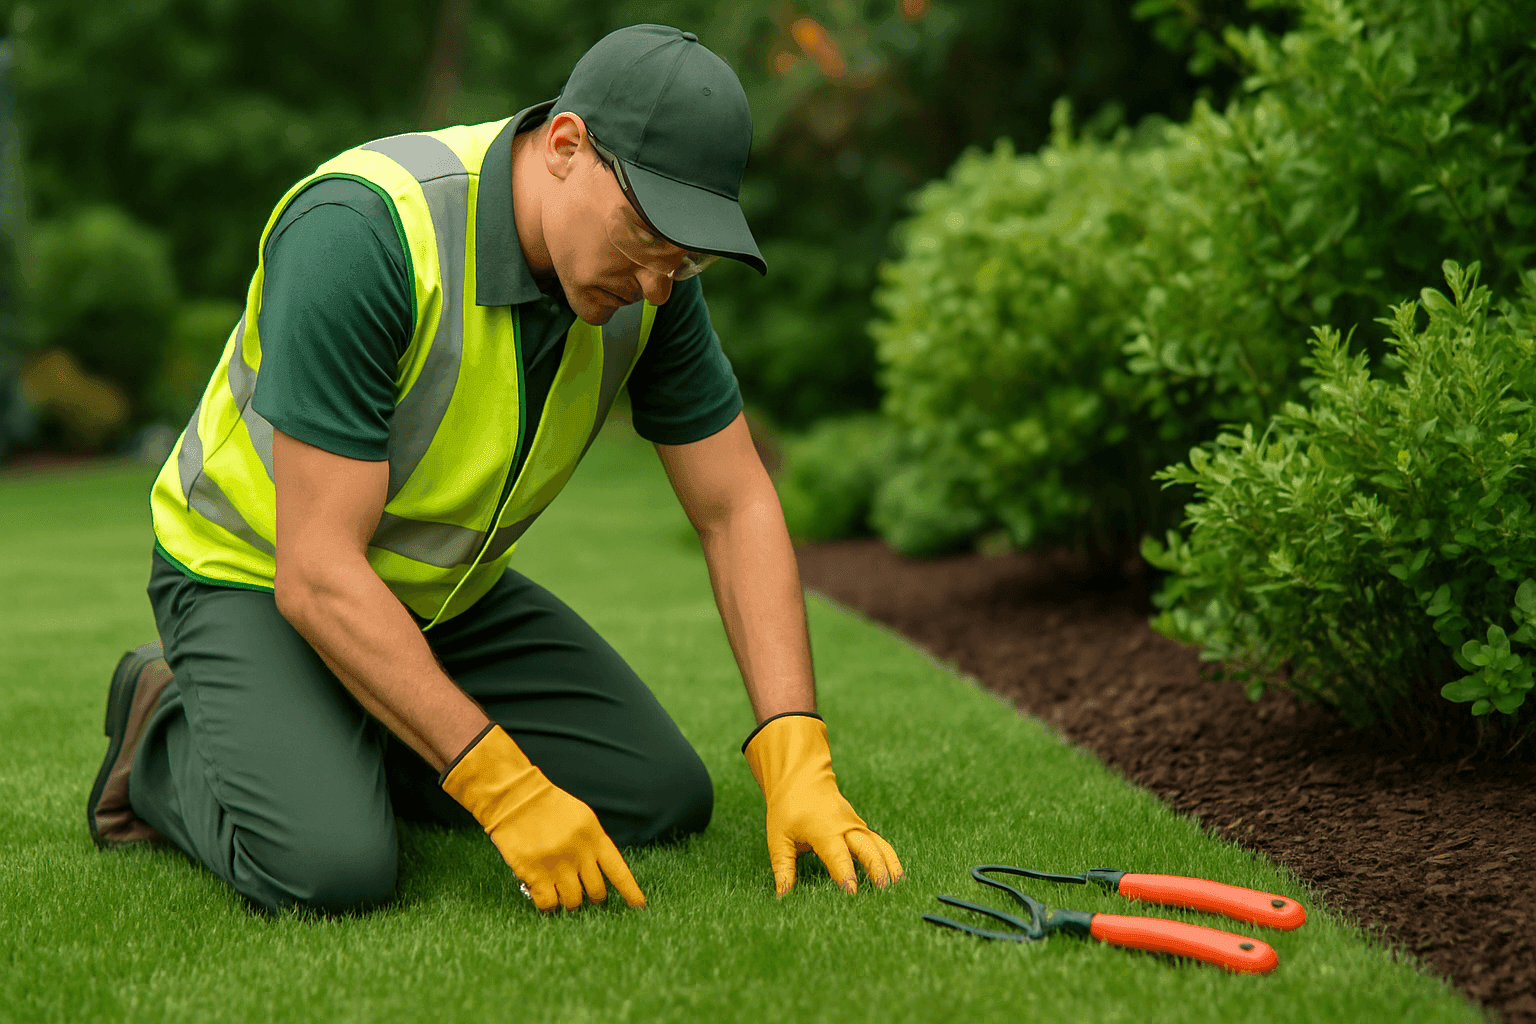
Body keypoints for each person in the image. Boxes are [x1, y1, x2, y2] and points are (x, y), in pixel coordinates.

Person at [85, 23, 903, 915]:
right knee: (332, 871)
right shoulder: (360, 235)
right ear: (566, 146)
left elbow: (736, 503)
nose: (661, 282)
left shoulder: (653, 284)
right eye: (648, 230)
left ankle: (348, 726)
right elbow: (317, 573)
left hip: (439, 601)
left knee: (658, 797)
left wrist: (795, 749)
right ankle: (163, 721)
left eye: (690, 253)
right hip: (253, 577)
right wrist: (505, 789)